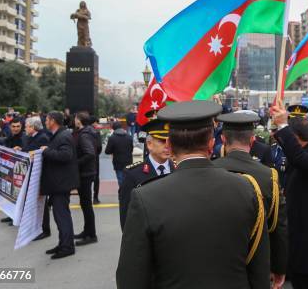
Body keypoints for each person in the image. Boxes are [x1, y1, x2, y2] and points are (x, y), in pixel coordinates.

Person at [117, 101, 270, 289]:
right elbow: (259, 267)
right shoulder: (247, 189)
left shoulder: (145, 197)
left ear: (169, 145)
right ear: (212, 143)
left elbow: (131, 276)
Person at [214, 111, 289, 289]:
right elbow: (278, 226)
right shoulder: (269, 176)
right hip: (257, 259)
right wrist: (279, 267)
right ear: (252, 140)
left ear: (223, 139)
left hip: (215, 259)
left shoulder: (210, 170)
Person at [269, 103, 308, 289]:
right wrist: (280, 129)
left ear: (296, 138)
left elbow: (300, 160)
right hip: (299, 236)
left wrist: (283, 126)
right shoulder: (302, 151)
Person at [118, 119, 173, 230]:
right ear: (149, 144)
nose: (167, 146)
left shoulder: (179, 169)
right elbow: (126, 217)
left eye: (170, 141)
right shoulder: (132, 174)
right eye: (162, 141)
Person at [40, 111, 79, 259]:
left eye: (47, 120)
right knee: (59, 215)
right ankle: (63, 243)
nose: (45, 122)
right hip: (58, 183)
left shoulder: (63, 136)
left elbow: (65, 155)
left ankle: (67, 247)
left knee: (62, 216)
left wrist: (47, 151)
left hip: (61, 184)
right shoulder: (60, 135)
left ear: (53, 121)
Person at [22, 116, 51, 241]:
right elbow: (27, 151)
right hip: (33, 174)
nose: (25, 128)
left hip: (39, 175)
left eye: (26, 126)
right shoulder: (31, 137)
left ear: (33, 127)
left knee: (41, 203)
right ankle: (36, 226)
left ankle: (45, 230)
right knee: (34, 202)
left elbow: (41, 154)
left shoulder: (42, 138)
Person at [72, 111, 98, 246]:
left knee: (86, 205)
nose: (74, 120)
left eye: (75, 118)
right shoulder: (90, 132)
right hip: (88, 172)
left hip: (85, 174)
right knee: (85, 204)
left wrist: (75, 163)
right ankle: (87, 231)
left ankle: (91, 235)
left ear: (79, 120)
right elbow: (96, 150)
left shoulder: (84, 135)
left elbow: (90, 153)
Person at [105, 121, 134, 186]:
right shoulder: (129, 137)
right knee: (128, 179)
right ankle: (128, 194)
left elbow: (107, 151)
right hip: (128, 161)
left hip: (118, 162)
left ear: (113, 128)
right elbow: (131, 149)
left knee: (120, 179)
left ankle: (122, 194)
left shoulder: (112, 138)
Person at [91, 116, 103, 204]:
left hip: (84, 158)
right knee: (96, 178)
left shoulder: (81, 132)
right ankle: (95, 197)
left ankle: (84, 197)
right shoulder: (96, 133)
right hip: (95, 158)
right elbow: (99, 147)